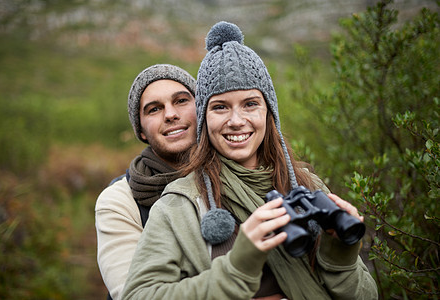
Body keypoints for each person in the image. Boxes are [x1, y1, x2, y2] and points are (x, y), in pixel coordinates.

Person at [122, 22, 378, 300]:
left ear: (269, 113)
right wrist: (237, 267)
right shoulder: (180, 204)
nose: (236, 121)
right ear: (203, 120)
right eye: (220, 107)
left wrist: (340, 255)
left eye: (250, 104)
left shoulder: (308, 185)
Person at [95, 64, 197, 300]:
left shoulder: (233, 176)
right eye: (154, 109)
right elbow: (132, 293)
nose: (170, 114)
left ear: (201, 108)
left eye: (181, 101)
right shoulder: (119, 200)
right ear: (141, 131)